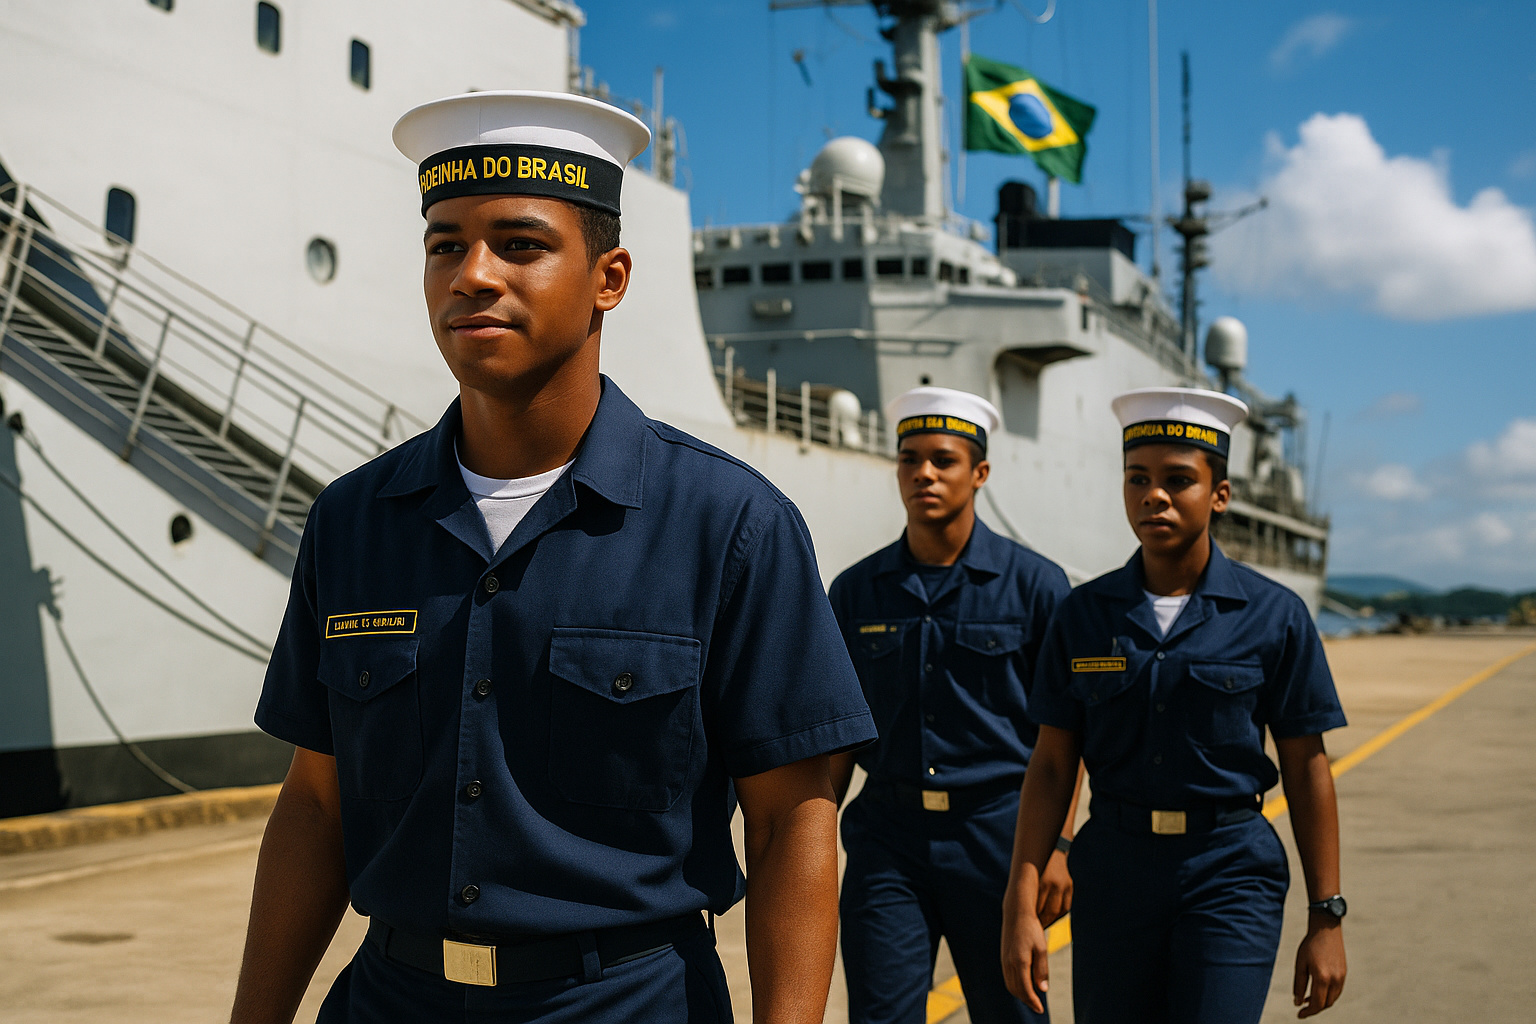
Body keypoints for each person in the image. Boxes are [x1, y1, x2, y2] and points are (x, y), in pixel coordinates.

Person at [229, 90, 876, 1024]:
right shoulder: (353, 521)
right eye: (445, 244)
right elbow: (317, 807)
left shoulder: (729, 525)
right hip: (390, 998)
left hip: (624, 1003)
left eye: (520, 245)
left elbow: (791, 823)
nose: (472, 276)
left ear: (609, 277)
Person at [1000, 387, 1349, 1023]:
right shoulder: (1083, 616)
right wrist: (1020, 903)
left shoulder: (1275, 617)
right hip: (1114, 871)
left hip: (1230, 870)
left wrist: (1326, 914)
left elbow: (1307, 766)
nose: (1153, 495)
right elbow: (1052, 764)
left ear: (1220, 494)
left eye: (1177, 480)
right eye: (1138, 478)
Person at [827, 387, 1078, 1024]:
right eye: (910, 460)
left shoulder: (1037, 586)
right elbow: (836, 734)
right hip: (889, 839)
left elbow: (1065, 734)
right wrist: (814, 838)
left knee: (1014, 1013)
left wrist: (1059, 845)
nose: (924, 474)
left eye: (943, 460)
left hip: (1000, 837)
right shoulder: (856, 591)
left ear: (980, 473)